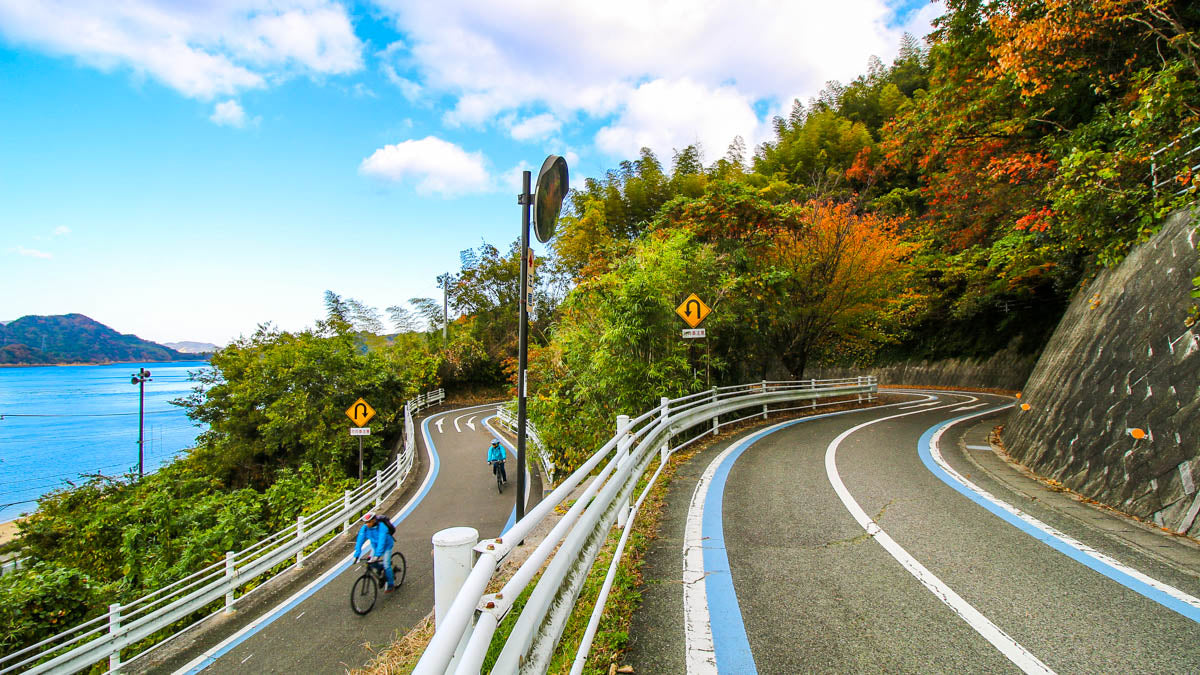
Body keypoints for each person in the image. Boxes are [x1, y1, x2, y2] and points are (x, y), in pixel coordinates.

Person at [354, 512, 396, 591]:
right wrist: (356, 554)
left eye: (369, 522)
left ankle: (391, 584)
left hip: (387, 546)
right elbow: (360, 540)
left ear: (374, 520)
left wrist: (377, 555)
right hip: (375, 546)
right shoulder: (365, 528)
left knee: (386, 565)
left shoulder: (382, 527)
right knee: (370, 562)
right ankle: (380, 567)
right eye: (366, 522)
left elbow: (381, 541)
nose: (367, 524)